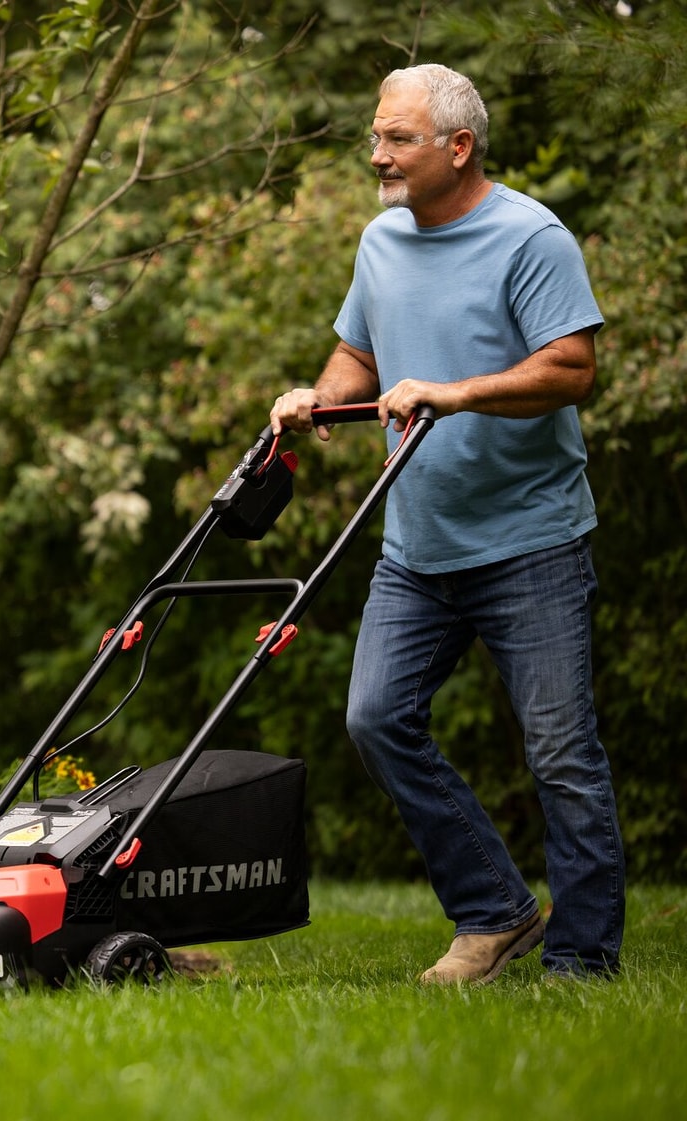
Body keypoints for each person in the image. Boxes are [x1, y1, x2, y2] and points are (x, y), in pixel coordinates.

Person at [270, 64, 624, 984]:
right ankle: (495, 909)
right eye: (376, 136)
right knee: (377, 718)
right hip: (417, 543)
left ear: (457, 147)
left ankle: (583, 961)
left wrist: (454, 393)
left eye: (397, 138)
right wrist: (320, 396)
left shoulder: (530, 237)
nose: (377, 154)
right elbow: (360, 348)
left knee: (560, 752)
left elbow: (572, 369)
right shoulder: (381, 241)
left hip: (531, 540)